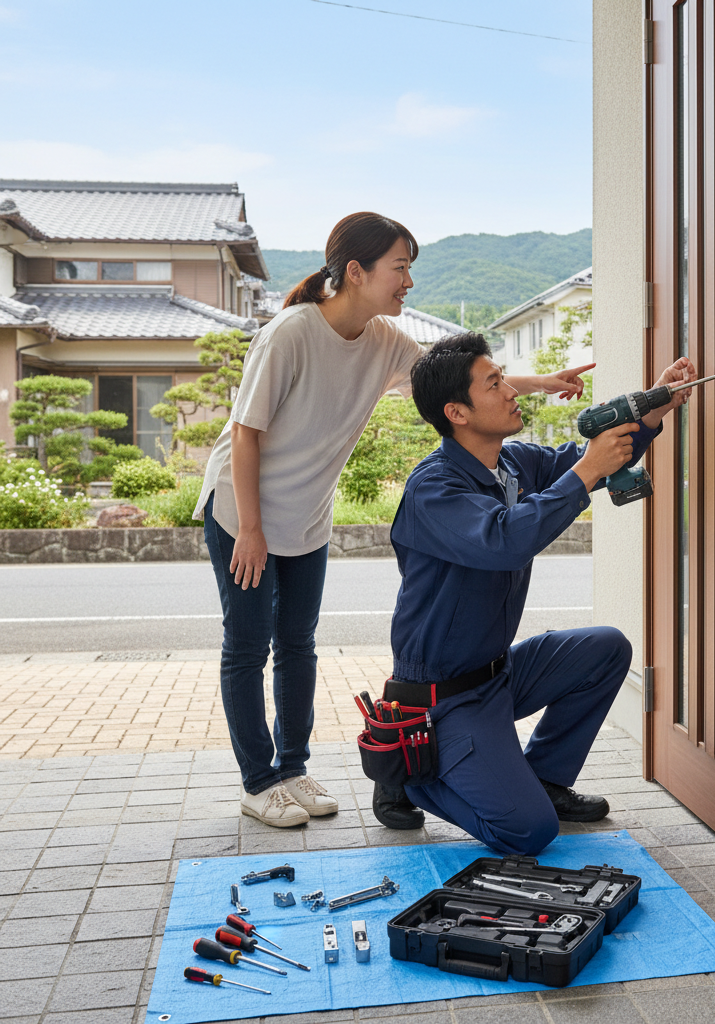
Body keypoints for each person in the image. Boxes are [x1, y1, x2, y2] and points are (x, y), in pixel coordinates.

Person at [194, 212, 594, 828]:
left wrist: (541, 382)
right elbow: (245, 434)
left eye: (411, 267)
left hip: (306, 515)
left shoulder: (383, 340)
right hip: (241, 508)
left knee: (298, 643)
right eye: (399, 267)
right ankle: (259, 781)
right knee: (248, 646)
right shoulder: (291, 333)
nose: (408, 281)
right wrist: (250, 529)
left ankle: (293, 770)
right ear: (356, 272)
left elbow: (450, 383)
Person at [378, 332, 695, 855]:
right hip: (442, 697)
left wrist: (655, 405)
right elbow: (505, 539)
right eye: (494, 383)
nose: (511, 391)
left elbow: (593, 458)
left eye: (503, 378)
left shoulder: (511, 462)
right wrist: (588, 469)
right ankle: (412, 774)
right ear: (456, 412)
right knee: (528, 832)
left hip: (496, 674)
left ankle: (545, 777)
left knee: (606, 647)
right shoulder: (433, 490)